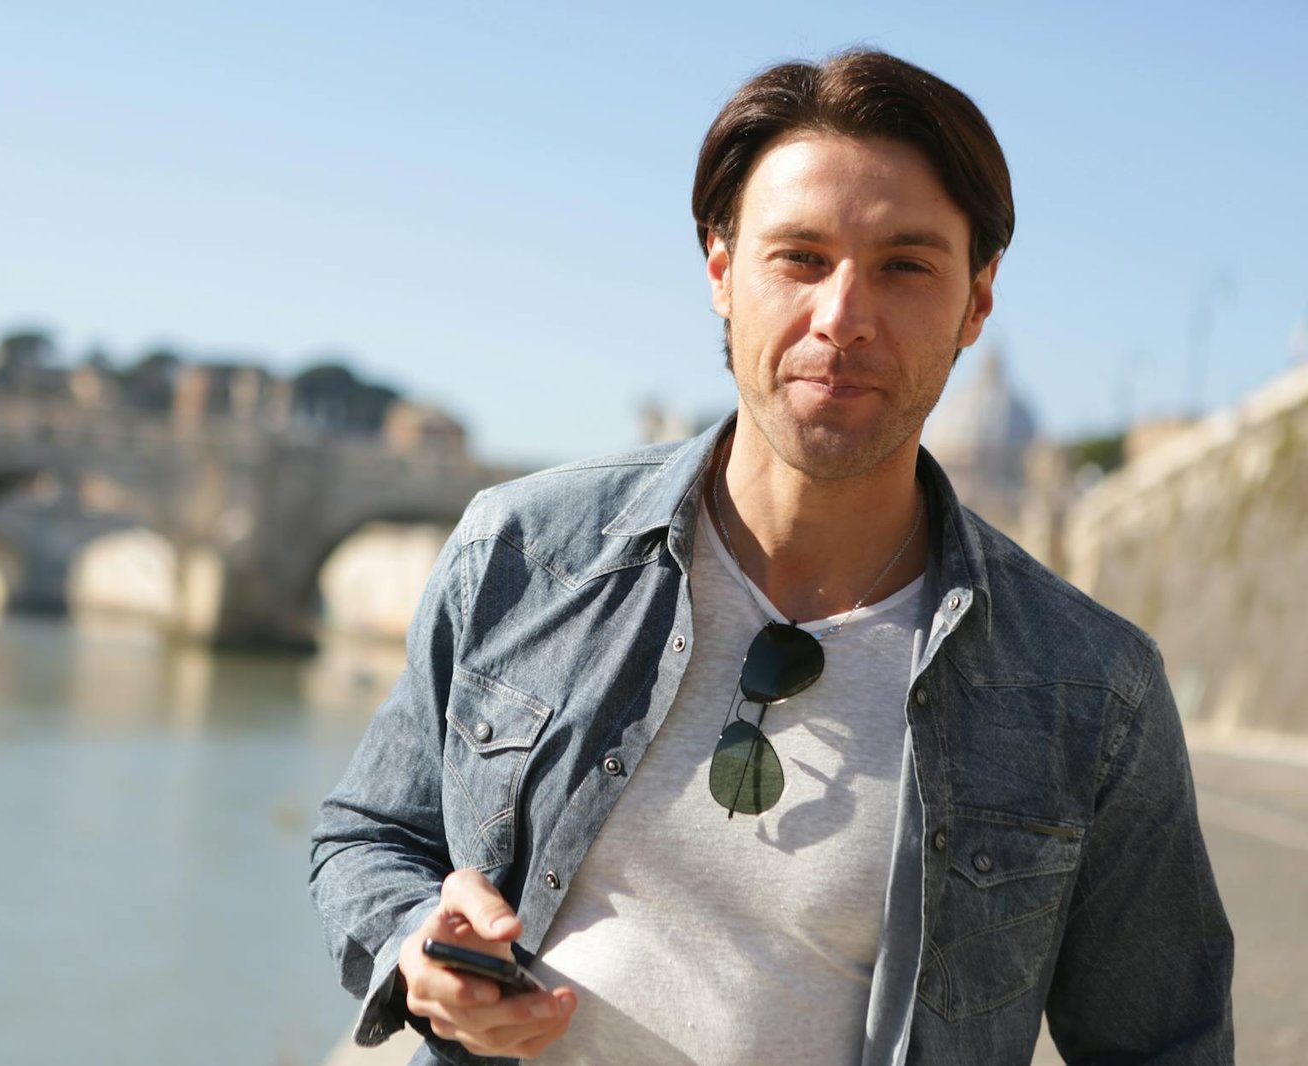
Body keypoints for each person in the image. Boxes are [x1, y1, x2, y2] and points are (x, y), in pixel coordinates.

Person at [309, 49, 1234, 1065]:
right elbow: (368, 838)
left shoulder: (1092, 691)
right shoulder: (519, 552)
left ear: (976, 302)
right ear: (720, 271)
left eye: (905, 265)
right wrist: (419, 950)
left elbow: (1165, 1043)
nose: (841, 316)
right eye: (799, 256)